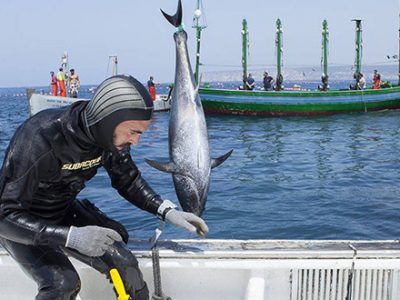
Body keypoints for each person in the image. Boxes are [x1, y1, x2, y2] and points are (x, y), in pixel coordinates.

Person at [0, 75, 208, 300]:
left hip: (62, 212)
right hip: (23, 225)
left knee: (126, 262)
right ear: (108, 120)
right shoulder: (40, 137)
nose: (136, 141)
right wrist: (71, 238)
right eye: (133, 132)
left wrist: (167, 211)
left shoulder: (110, 139)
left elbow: (127, 180)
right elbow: (4, 215)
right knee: (63, 283)